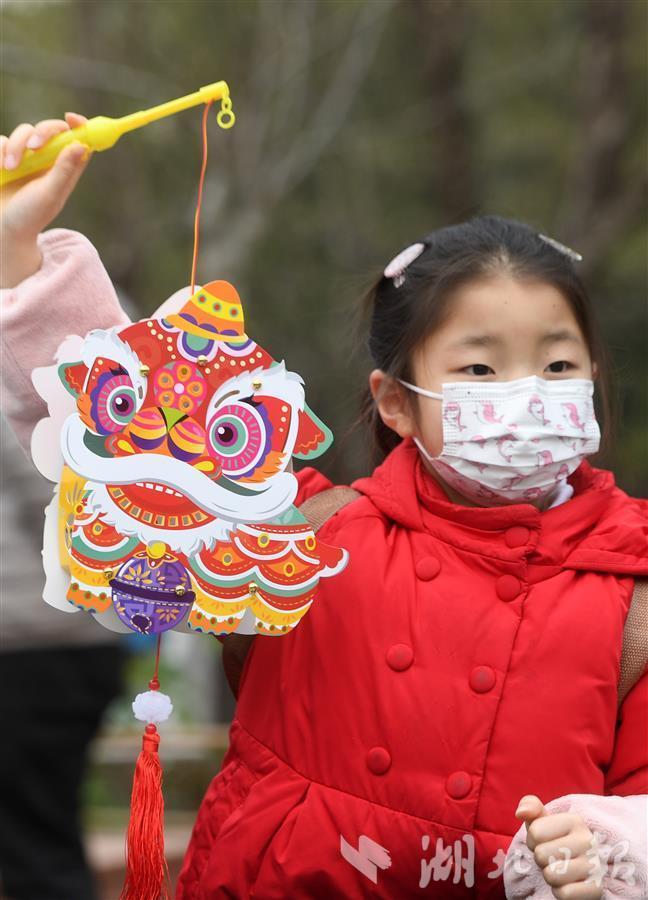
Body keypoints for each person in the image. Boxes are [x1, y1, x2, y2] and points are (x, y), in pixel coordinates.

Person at [1, 115, 646, 900]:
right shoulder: (305, 534)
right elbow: (139, 428)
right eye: (480, 368)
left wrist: (606, 850)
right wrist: (20, 254)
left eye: (558, 364)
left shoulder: (635, 593)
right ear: (397, 402)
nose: (527, 394)